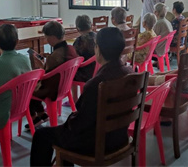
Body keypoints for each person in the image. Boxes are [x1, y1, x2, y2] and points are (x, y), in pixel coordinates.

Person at [30, 27, 133, 166]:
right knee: (65, 132)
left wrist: (68, 122)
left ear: (99, 50)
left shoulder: (96, 84)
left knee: (41, 135)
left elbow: (79, 125)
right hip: (120, 137)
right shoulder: (129, 72)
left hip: (98, 143)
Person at [28, 21, 79, 127]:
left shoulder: (54, 57)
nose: (46, 40)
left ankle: (34, 118)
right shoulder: (71, 49)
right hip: (65, 86)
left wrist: (41, 65)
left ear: (52, 37)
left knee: (28, 89)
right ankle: (42, 114)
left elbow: (45, 77)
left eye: (46, 37)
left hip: (53, 90)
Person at [69, 15, 96, 104]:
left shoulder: (79, 41)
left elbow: (74, 57)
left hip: (85, 73)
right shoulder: (97, 37)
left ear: (77, 29)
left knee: (71, 73)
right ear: (91, 25)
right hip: (98, 69)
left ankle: (75, 99)